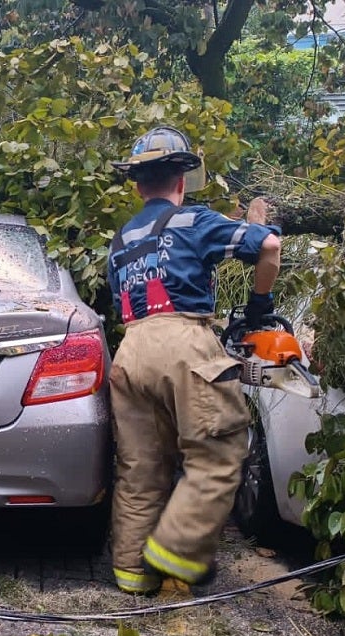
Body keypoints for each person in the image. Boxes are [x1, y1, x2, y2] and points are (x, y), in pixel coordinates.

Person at [105, 127, 282, 595]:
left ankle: (132, 575)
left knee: (141, 468)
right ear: (183, 180)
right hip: (182, 342)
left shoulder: (120, 240)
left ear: (138, 184)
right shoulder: (195, 222)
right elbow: (268, 247)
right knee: (218, 452)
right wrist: (260, 306)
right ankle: (176, 555)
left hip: (130, 351)